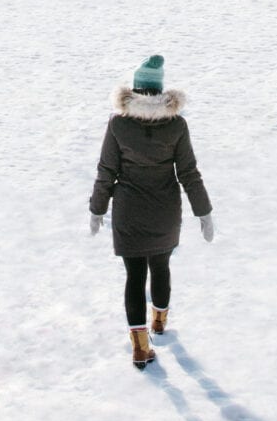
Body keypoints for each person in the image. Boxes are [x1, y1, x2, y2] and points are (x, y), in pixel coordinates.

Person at [89, 53, 213, 368]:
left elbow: (107, 171)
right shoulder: (176, 125)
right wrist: (204, 212)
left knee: (134, 276)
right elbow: (188, 172)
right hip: (165, 212)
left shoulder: (118, 124)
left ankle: (140, 349)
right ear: (158, 91)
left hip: (128, 213)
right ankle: (159, 322)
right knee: (160, 267)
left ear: (136, 89)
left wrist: (97, 209)